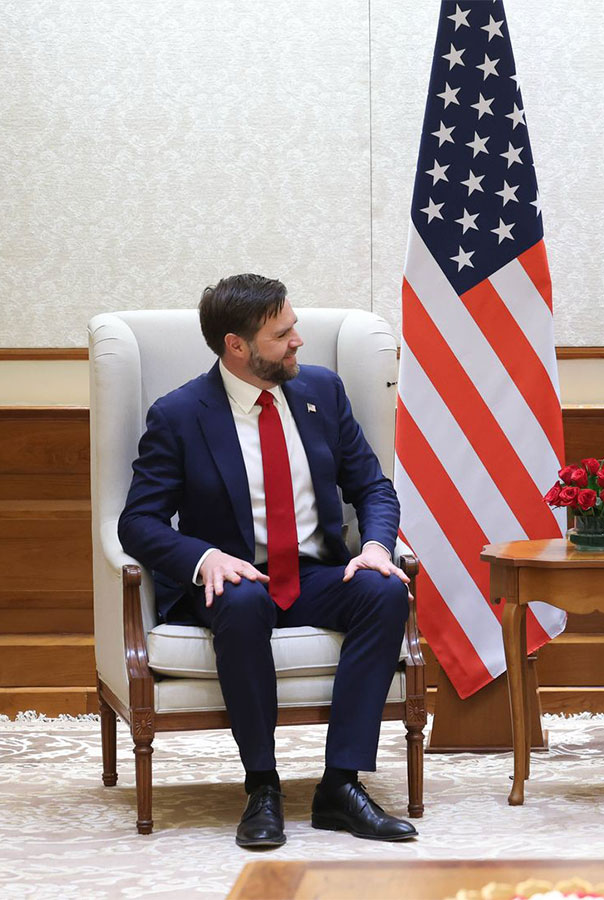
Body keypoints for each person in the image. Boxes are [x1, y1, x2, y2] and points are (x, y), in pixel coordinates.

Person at [118, 274, 416, 848]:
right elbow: (138, 521)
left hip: (313, 573)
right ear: (238, 346)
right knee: (244, 598)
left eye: (294, 327)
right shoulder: (180, 415)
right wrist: (203, 558)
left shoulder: (322, 394)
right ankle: (262, 788)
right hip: (234, 580)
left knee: (383, 591)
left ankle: (341, 786)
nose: (299, 341)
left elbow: (374, 487)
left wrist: (377, 547)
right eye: (282, 335)